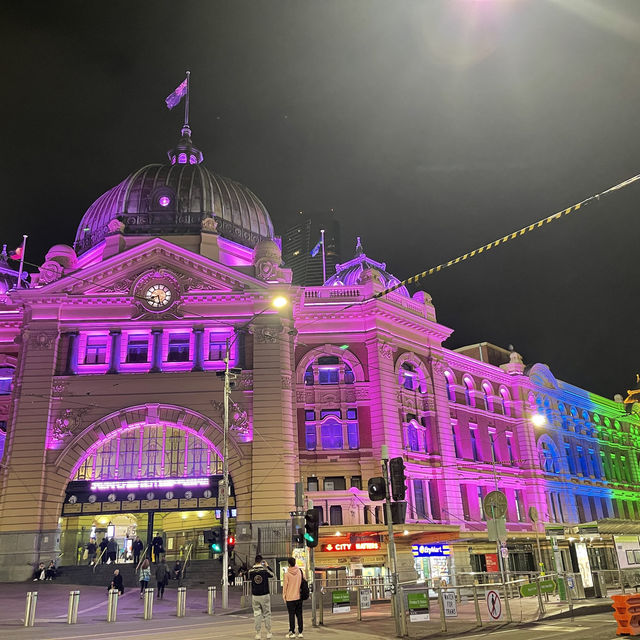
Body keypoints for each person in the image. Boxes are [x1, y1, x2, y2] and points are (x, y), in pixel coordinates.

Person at [248, 554, 274, 640]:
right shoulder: (264, 571)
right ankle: (268, 632)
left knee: (257, 614)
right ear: (262, 561)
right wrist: (267, 566)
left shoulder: (251, 571)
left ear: (255, 561)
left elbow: (248, 578)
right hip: (265, 594)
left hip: (255, 595)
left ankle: (258, 633)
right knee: (267, 614)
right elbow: (273, 575)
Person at [282, 557, 304, 639]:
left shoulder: (287, 574)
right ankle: (300, 632)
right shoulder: (300, 571)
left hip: (290, 598)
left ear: (289, 564)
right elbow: (303, 581)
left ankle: (292, 631)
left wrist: (284, 596)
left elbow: (285, 587)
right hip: (299, 597)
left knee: (291, 615)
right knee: (299, 615)